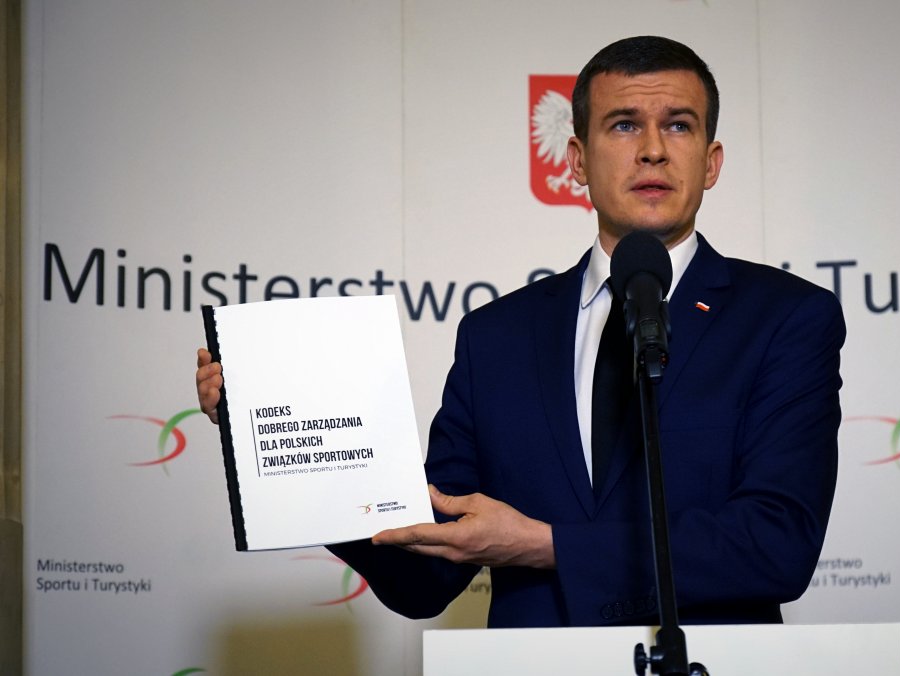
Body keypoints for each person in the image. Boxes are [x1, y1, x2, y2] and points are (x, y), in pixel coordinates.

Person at [195, 35, 844, 628]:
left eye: (678, 124)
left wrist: (546, 545)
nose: (652, 148)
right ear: (578, 160)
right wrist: (276, 440)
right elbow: (424, 575)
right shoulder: (495, 338)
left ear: (711, 162)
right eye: (623, 124)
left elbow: (777, 544)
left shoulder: (785, 319)